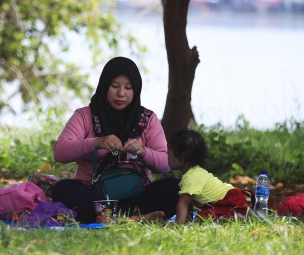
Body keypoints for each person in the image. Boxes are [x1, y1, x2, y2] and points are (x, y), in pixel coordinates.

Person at [51, 56, 180, 224]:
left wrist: (143, 152)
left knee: (176, 188)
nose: (121, 93)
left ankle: (118, 218)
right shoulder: (84, 115)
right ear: (105, 85)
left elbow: (164, 165)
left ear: (136, 90)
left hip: (136, 195)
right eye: (115, 86)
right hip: (94, 196)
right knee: (63, 189)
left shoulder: (148, 119)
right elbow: (60, 152)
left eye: (128, 88)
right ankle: (130, 218)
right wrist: (96, 142)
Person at [167, 129, 250, 223]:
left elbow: (183, 203)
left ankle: (235, 217)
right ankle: (235, 215)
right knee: (201, 216)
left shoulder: (191, 178)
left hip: (229, 202)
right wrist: (187, 221)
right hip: (229, 198)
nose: (166, 157)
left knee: (203, 219)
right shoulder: (195, 172)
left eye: (168, 155)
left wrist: (178, 226)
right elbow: (188, 205)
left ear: (181, 160)